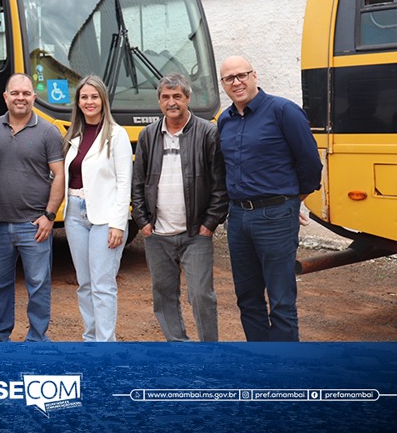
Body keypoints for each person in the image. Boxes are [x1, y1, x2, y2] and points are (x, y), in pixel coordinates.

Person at [217, 56, 322, 341]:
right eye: (229, 78)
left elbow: (310, 164)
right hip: (238, 218)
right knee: (247, 298)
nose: (236, 82)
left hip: (275, 216)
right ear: (223, 84)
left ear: (254, 75)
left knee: (281, 300)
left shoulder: (283, 111)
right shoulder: (224, 120)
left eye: (242, 75)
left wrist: (291, 201)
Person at [131, 73, 228, 342]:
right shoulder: (149, 135)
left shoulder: (208, 133)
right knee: (163, 296)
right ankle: (179, 347)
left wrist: (209, 224)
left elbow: (221, 185)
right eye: (165, 97)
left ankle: (209, 351)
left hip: (196, 234)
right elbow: (137, 182)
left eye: (177, 96)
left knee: (201, 295)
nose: (171, 102)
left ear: (187, 98)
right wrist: (142, 221)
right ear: (159, 101)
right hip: (157, 235)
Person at [0, 74, 64, 342]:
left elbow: (60, 175)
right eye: (15, 93)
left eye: (26, 93)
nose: (21, 98)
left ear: (34, 97)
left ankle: (37, 338)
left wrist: (49, 216)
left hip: (35, 225)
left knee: (39, 285)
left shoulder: (49, 132)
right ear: (5, 97)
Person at [62, 74, 132, 342]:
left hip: (105, 218)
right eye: (84, 97)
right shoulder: (74, 134)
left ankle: (105, 345)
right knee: (85, 284)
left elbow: (125, 181)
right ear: (78, 102)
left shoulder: (117, 135)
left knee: (103, 285)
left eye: (94, 97)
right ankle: (90, 340)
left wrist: (118, 223)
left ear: (103, 100)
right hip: (75, 214)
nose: (89, 102)